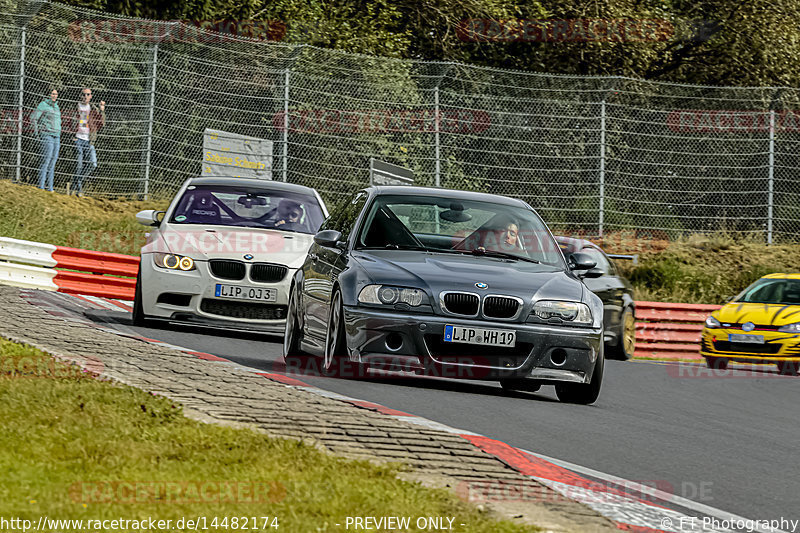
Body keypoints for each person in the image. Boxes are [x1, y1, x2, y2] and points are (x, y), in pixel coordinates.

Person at [71, 87, 106, 196]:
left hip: (89, 140)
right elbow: (69, 121)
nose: (85, 97)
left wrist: (102, 110)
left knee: (93, 163)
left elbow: (102, 123)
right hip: (78, 139)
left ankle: (76, 182)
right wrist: (72, 135)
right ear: (80, 95)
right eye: (83, 94)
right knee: (79, 165)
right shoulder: (75, 107)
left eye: (88, 94)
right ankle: (79, 190)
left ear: (91, 96)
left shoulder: (94, 109)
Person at [31, 88, 61, 191]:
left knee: (53, 162)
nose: (54, 96)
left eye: (56, 94)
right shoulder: (43, 104)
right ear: (48, 94)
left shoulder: (56, 106)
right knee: (46, 161)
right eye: (52, 94)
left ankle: (50, 188)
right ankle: (41, 186)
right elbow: (33, 118)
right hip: (46, 135)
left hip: (57, 136)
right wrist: (36, 134)